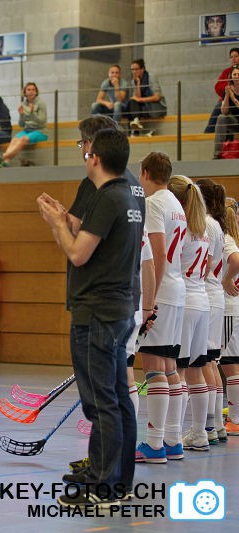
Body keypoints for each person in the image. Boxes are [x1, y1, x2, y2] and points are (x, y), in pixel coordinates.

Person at [37, 128, 141, 507]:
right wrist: (65, 217)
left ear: (94, 157)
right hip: (119, 307)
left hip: (97, 311)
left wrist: (55, 223)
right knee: (118, 397)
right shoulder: (128, 195)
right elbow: (95, 241)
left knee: (100, 401)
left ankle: (102, 486)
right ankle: (119, 481)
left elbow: (78, 253)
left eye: (85, 150)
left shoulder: (106, 197)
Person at [135, 152, 186, 464]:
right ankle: (173, 440)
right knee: (169, 368)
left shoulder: (153, 203)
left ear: (145, 173)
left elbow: (157, 253)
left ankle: (154, 444)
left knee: (154, 367)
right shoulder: (177, 204)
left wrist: (149, 301)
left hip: (163, 292)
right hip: (177, 292)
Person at [165, 175, 211, 452]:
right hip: (203, 302)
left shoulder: (180, 228)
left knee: (178, 371)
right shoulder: (203, 229)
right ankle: (199, 433)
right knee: (197, 371)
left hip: (185, 303)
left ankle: (172, 436)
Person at [195, 179, 228, 444]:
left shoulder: (205, 223)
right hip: (214, 295)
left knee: (204, 362)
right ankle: (216, 424)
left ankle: (208, 426)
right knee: (211, 362)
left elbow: (204, 264)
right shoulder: (216, 224)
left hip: (206, 292)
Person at [220, 197, 239, 436]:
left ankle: (234, 419)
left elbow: (235, 261)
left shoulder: (226, 239)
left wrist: (226, 279)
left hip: (228, 307)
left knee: (229, 364)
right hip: (233, 306)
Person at [0, 82, 47, 167]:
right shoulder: (23, 104)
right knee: (14, 140)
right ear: (25, 92)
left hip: (40, 131)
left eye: (33, 90)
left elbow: (42, 122)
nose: (31, 91)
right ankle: (5, 163)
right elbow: (21, 124)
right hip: (27, 130)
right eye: (29, 90)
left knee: (23, 139)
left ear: (36, 92)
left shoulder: (41, 103)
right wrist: (21, 115)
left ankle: (3, 156)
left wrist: (32, 113)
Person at [126, 59, 167, 133]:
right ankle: (135, 124)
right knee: (131, 103)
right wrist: (138, 83)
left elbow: (157, 97)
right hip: (144, 107)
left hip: (155, 107)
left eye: (136, 69)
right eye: (132, 69)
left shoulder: (151, 77)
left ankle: (133, 130)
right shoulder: (134, 81)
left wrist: (140, 100)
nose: (134, 72)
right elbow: (137, 97)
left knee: (132, 105)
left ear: (142, 69)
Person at [205, 48, 239, 134]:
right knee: (219, 107)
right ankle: (208, 133)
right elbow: (217, 87)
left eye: (236, 56)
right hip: (228, 99)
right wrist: (229, 88)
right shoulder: (226, 72)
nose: (233, 59)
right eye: (231, 57)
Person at [214, 66, 239, 159]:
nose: (237, 76)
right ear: (231, 77)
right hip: (235, 122)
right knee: (221, 117)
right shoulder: (229, 89)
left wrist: (233, 98)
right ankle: (218, 153)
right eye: (234, 74)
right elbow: (224, 111)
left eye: (238, 74)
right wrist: (227, 95)